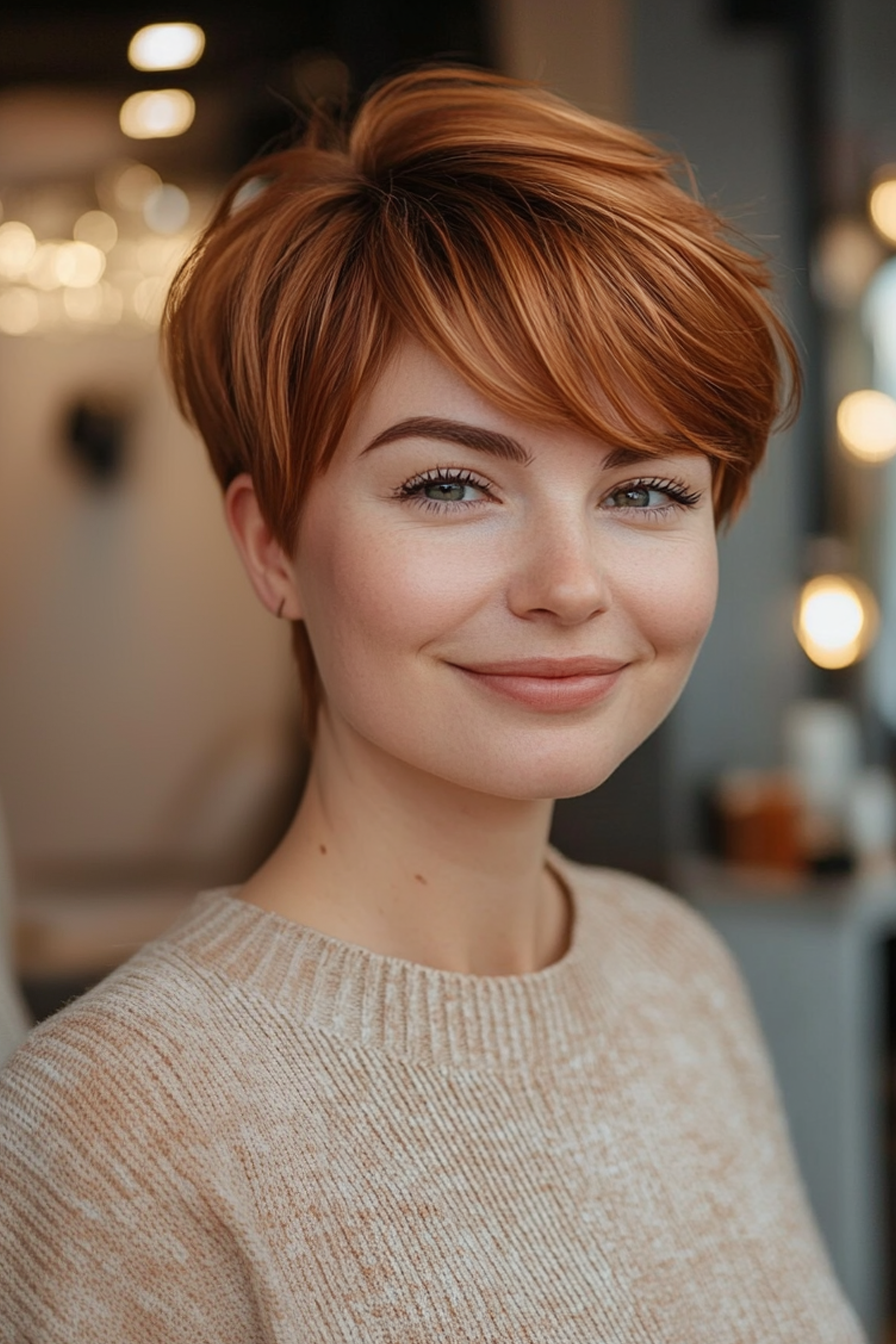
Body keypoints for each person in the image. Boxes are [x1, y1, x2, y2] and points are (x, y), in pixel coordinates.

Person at [0, 66, 865, 1342]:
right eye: (452, 485)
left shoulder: (677, 970)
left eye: (644, 493)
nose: (568, 586)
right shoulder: (122, 1123)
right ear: (274, 547)